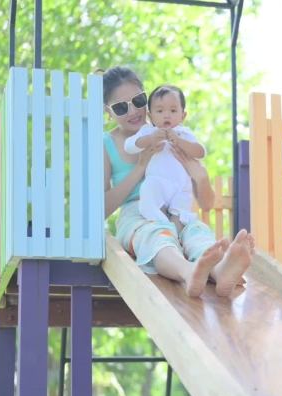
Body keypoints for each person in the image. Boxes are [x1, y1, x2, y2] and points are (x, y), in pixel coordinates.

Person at [100, 65, 254, 298]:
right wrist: (141, 166)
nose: (133, 111)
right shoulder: (107, 144)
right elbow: (100, 209)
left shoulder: (173, 132)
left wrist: (200, 177)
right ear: (108, 112)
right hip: (136, 215)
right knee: (156, 234)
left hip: (176, 210)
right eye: (121, 107)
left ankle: (220, 271)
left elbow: (207, 204)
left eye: (139, 101)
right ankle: (189, 271)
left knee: (197, 232)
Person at [124, 84, 204, 226]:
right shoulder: (148, 131)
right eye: (160, 111)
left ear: (183, 116)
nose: (167, 115)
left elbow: (200, 152)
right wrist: (149, 140)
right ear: (151, 116)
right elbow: (129, 146)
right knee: (149, 193)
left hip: (180, 189)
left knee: (180, 215)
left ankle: (174, 234)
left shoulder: (184, 133)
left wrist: (180, 141)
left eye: (173, 110)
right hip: (157, 183)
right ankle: (163, 225)